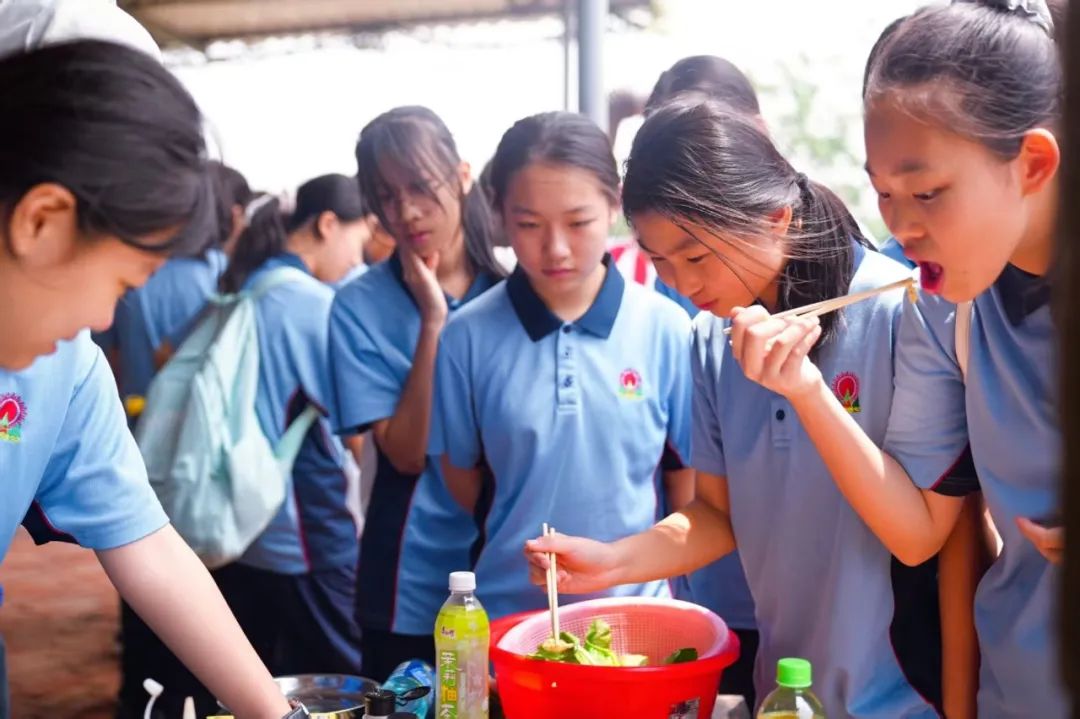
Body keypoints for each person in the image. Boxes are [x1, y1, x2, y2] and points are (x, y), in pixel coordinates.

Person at [526, 100, 946, 717]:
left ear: (777, 217)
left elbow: (918, 538)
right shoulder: (710, 339)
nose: (682, 283)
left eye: (694, 257)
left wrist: (805, 392)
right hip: (786, 691)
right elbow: (715, 516)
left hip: (898, 698)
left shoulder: (898, 309)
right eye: (660, 260)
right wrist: (613, 562)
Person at [726, 0, 1068, 715]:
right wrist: (806, 387)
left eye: (927, 192)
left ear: (1032, 162)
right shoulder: (945, 306)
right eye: (883, 192)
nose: (902, 227)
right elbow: (927, 532)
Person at [0, 40, 293, 719]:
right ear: (40, 221)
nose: (107, 317)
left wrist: (277, 713)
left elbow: (148, 544)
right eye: (120, 283)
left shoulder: (65, 364)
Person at [430, 111, 694, 620]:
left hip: (635, 613)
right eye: (528, 225)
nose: (555, 248)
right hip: (509, 613)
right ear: (500, 215)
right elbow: (462, 479)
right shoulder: (466, 335)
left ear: (615, 204)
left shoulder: (666, 327)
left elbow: (687, 485)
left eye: (578, 223)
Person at [329, 106, 507, 681]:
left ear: (461, 174)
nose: (404, 211)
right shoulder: (358, 307)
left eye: (420, 187)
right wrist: (434, 321)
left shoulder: (513, 296)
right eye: (385, 195)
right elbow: (405, 453)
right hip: (405, 581)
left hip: (504, 572)